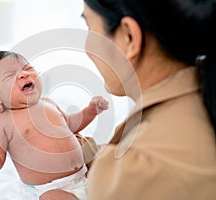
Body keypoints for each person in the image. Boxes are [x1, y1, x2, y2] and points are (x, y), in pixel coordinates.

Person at [79, 0, 216, 199]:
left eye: (89, 27)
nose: (87, 49)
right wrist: (68, 148)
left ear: (129, 37)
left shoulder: (132, 173)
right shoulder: (200, 97)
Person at [0, 51, 109, 200]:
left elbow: (70, 125)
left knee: (109, 176)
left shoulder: (48, 104)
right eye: (10, 75)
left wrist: (90, 111)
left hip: (83, 175)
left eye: (28, 68)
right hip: (49, 189)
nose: (24, 74)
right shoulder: (2, 123)